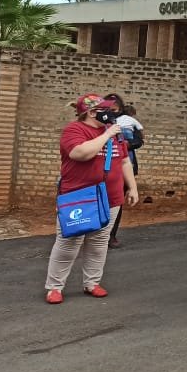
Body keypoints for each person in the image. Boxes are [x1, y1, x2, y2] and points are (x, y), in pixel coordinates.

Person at [45, 94, 139, 304]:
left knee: (99, 242)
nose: (111, 113)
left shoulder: (115, 132)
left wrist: (132, 187)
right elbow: (80, 153)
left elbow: (124, 161)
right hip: (78, 197)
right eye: (106, 110)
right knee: (69, 242)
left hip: (110, 198)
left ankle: (92, 283)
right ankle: (54, 287)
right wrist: (107, 135)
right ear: (92, 112)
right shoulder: (75, 130)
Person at [103, 93, 142, 249]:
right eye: (109, 109)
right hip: (103, 168)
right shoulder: (101, 122)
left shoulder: (128, 122)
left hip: (124, 166)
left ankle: (111, 235)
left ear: (120, 108)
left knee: (116, 202)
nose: (112, 112)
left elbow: (139, 141)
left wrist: (124, 144)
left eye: (115, 109)